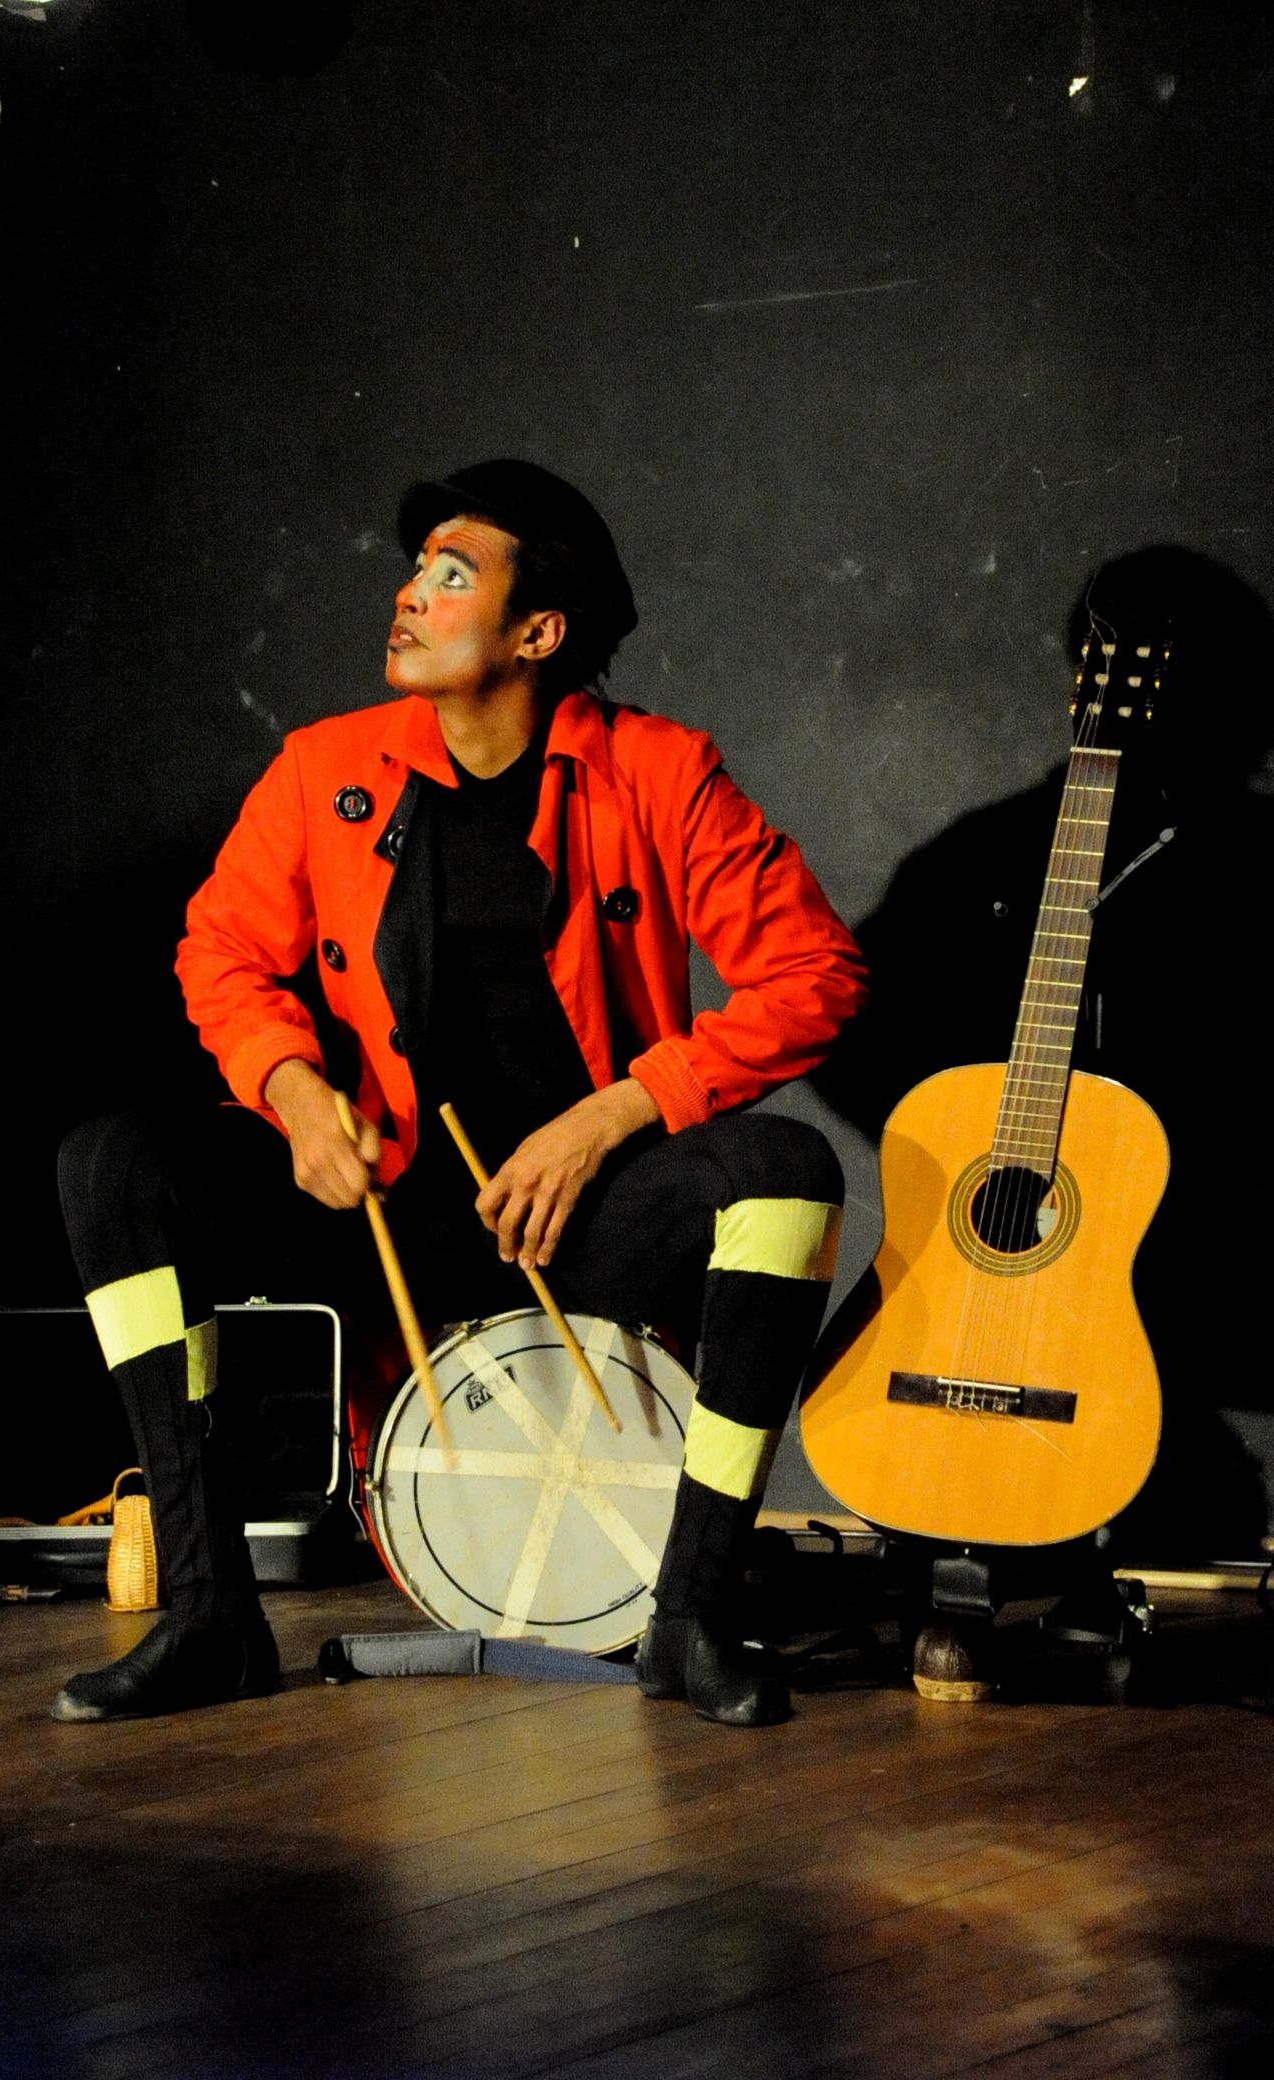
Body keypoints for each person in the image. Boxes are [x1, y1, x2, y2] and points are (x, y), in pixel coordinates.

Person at [53, 460, 867, 1728]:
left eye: (450, 574)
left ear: (537, 632)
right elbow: (220, 951)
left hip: (581, 1222)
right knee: (112, 1165)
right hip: (381, 1212)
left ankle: (690, 1614)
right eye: (413, 570)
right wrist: (293, 1092)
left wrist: (610, 1115)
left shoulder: (657, 770)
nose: (408, 596)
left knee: (787, 1175)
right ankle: (208, 1611)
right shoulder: (324, 767)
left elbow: (816, 972)